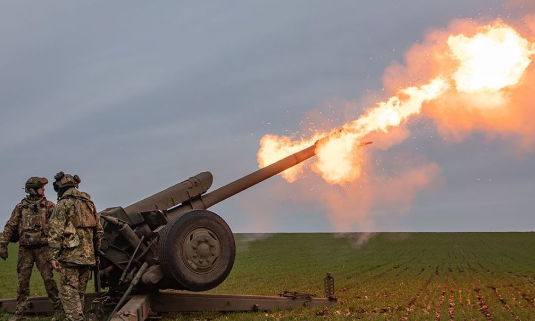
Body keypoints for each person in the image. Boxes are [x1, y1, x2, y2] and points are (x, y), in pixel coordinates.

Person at [0, 177, 63, 321]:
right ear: (32, 189)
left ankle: (58, 310)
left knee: (49, 279)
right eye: (41, 187)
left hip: (43, 249)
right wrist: (3, 244)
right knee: (23, 281)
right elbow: (10, 226)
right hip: (25, 250)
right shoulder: (21, 207)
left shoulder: (49, 206)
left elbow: (58, 226)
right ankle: (19, 313)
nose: (44, 190)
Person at [48, 172, 103, 321]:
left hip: (70, 256)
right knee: (79, 292)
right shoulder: (89, 203)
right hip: (88, 255)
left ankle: (75, 319)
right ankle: (77, 316)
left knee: (69, 291)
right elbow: (99, 230)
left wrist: (53, 256)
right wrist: (95, 252)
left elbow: (55, 231)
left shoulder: (63, 203)